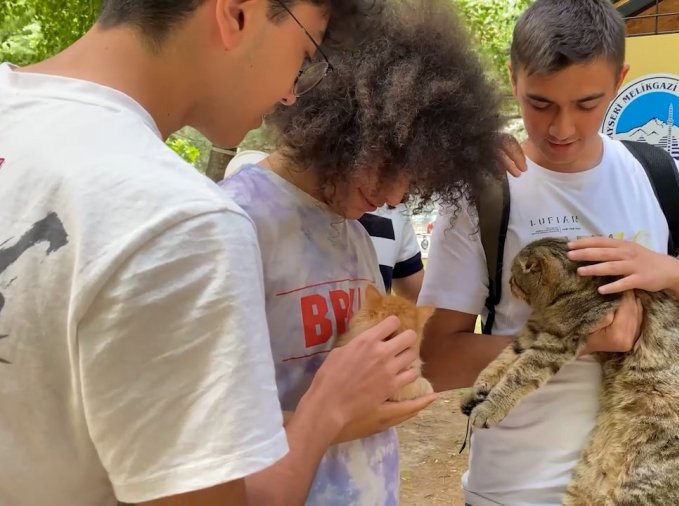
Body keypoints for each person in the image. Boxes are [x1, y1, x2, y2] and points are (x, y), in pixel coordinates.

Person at [0, 1, 430, 504]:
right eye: (305, 50)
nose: (292, 92)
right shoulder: (182, 220)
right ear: (237, 13)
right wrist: (324, 414)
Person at [418, 1, 679, 505]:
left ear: (620, 80)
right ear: (512, 78)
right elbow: (436, 360)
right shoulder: (484, 192)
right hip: (514, 491)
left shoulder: (660, 178)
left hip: (637, 487)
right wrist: (585, 339)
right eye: (541, 103)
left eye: (587, 103)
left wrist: (673, 274)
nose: (562, 129)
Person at [217, 0, 509, 503]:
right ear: (344, 124)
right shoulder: (235, 224)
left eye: (415, 176)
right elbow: (210, 429)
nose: (397, 196)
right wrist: (337, 418)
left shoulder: (349, 226)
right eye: (392, 164)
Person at [226, 153, 426, 301]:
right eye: (389, 168)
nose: (394, 199)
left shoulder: (357, 238)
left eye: (410, 181)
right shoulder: (231, 218)